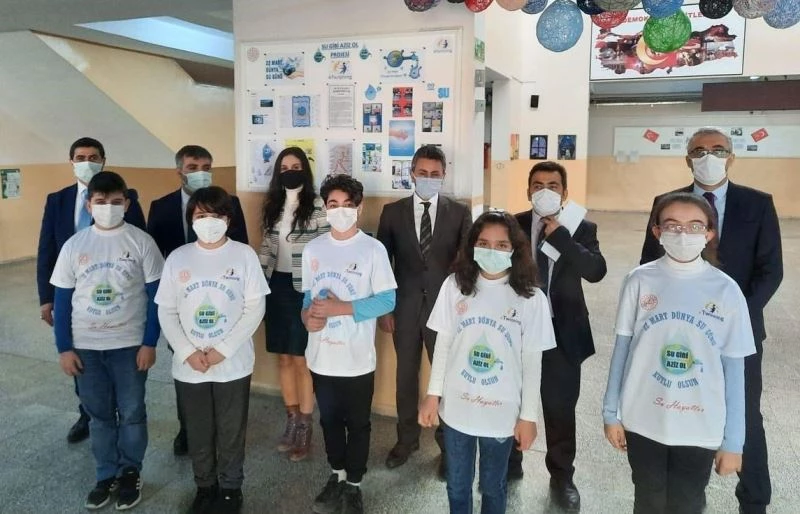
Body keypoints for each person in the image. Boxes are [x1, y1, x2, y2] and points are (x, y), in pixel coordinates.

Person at [639, 127, 783, 514]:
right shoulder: (666, 203)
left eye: (718, 150)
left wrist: (732, 320)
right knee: (680, 402)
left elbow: (771, 271)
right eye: (699, 151)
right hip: (680, 335)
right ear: (688, 160)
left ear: (731, 157)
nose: (708, 157)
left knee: (745, 413)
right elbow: (649, 266)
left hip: (739, 334)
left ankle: (754, 500)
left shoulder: (757, 204)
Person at [606, 192, 756, 513]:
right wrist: (610, 413)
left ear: (709, 233)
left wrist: (733, 442)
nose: (683, 234)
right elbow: (622, 351)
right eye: (673, 225)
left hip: (699, 426)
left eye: (695, 226)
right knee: (647, 498)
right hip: (643, 419)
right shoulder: (639, 281)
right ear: (657, 231)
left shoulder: (726, 291)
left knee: (687, 502)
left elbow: (735, 373)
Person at [419, 211, 556, 514]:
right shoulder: (454, 286)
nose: (492, 251)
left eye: (501, 245)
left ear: (515, 249)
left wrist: (528, 416)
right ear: (472, 246)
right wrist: (432, 395)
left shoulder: (531, 298)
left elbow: (533, 362)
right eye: (483, 243)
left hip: (501, 411)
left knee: (494, 487)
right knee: (457, 486)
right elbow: (443, 344)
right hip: (457, 408)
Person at [50, 171, 162, 510]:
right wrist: (64, 348)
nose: (108, 208)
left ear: (126, 204)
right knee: (98, 415)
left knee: (131, 412)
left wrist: (149, 343)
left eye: (115, 202)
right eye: (101, 202)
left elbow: (156, 297)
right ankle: (105, 474)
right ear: (89, 205)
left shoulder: (141, 242)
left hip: (129, 345)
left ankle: (130, 471)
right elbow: (62, 301)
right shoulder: (75, 245)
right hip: (86, 348)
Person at [155, 186, 268, 514]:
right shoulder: (178, 258)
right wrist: (188, 352)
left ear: (228, 219)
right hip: (189, 365)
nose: (209, 221)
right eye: (201, 215)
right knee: (199, 430)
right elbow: (166, 310)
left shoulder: (244, 255)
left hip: (233, 363)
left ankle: (231, 488)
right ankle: (205, 486)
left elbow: (254, 308)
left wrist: (223, 350)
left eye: (216, 215)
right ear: (191, 219)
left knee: (231, 430)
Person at [37, 136, 146, 444]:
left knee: (123, 367)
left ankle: (124, 413)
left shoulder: (126, 198)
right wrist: (46, 298)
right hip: (74, 295)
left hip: (118, 295)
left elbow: (140, 242)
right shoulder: (57, 200)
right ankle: (88, 413)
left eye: (93, 157)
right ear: (71, 161)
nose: (87, 162)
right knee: (81, 358)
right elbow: (47, 250)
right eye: (81, 157)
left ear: (103, 161)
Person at [511, 161, 606, 511]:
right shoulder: (514, 224)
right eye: (538, 185)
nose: (545, 191)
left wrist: (562, 238)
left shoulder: (581, 227)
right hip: (518, 331)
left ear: (565, 192)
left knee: (560, 408)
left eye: (553, 185)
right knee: (512, 399)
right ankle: (510, 463)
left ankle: (562, 476)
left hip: (562, 331)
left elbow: (596, 271)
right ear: (528, 190)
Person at [301, 175, 397, 514]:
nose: (340, 210)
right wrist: (307, 318)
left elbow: (386, 300)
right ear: (325, 208)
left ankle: (354, 483)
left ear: (359, 207)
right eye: (333, 204)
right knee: (328, 420)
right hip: (321, 356)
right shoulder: (313, 249)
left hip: (356, 359)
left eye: (347, 204)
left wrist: (341, 309)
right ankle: (337, 473)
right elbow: (308, 299)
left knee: (358, 423)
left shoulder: (372, 249)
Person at [147, 144, 249, 456]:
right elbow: (156, 259)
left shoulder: (230, 203)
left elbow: (241, 245)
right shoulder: (161, 206)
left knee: (225, 375)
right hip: (182, 307)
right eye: (193, 167)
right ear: (179, 170)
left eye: (206, 166)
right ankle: (188, 427)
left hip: (224, 305)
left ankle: (221, 430)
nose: (200, 172)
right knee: (186, 369)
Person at [376, 144, 472, 475]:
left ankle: (448, 445)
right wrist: (384, 309)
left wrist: (462, 310)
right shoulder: (392, 212)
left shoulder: (459, 213)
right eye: (423, 173)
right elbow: (382, 266)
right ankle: (406, 439)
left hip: (444, 311)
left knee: (445, 376)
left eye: (435, 174)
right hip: (404, 307)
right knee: (405, 375)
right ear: (412, 174)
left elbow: (466, 264)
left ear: (444, 175)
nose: (429, 178)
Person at [258, 147, 329, 462]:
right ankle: (291, 420)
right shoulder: (272, 204)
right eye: (284, 167)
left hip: (305, 288)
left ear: (305, 170)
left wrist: (322, 291)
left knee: (302, 359)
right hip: (276, 285)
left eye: (296, 166)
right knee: (284, 357)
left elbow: (326, 247)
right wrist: (259, 283)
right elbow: (266, 246)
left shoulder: (318, 205)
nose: (290, 171)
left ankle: (305, 427)